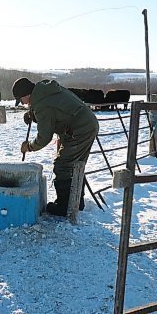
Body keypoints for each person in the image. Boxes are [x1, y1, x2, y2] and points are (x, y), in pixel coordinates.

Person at [12, 77, 99, 216]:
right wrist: (32, 114)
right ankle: (77, 202)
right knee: (76, 164)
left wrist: (28, 147)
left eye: (21, 100)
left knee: (63, 165)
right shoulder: (44, 91)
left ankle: (65, 206)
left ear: (26, 95)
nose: (22, 103)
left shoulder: (41, 103)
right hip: (84, 124)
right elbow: (55, 110)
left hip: (80, 130)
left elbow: (44, 137)